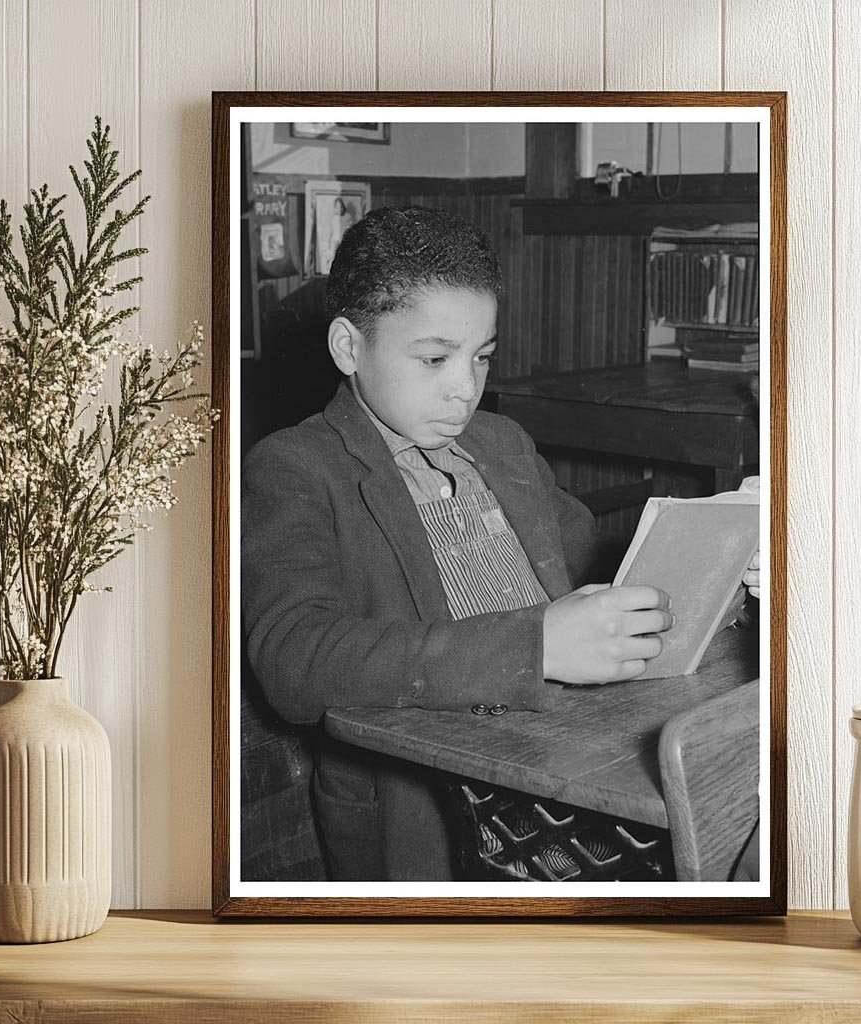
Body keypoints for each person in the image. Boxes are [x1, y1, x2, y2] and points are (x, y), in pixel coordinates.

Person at [242, 206, 751, 881]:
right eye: (433, 358)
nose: (465, 388)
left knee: (744, 818)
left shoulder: (499, 444)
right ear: (348, 347)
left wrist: (703, 568)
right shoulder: (296, 468)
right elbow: (293, 659)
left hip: (565, 764)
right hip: (442, 813)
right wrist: (536, 644)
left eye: (481, 357)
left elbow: (589, 566)